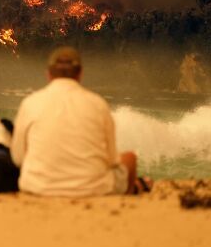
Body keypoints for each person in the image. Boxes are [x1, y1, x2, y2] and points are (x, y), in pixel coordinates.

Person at [10, 46, 147, 196]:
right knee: (130, 158)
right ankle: (129, 197)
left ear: (48, 74)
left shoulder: (30, 103)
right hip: (93, 189)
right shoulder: (98, 104)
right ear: (80, 74)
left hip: (38, 187)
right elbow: (112, 160)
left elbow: (18, 158)